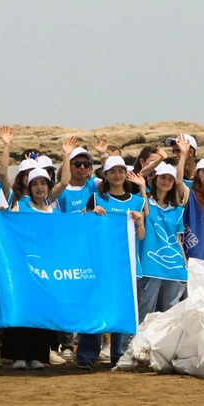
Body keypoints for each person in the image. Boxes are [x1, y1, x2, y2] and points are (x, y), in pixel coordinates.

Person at [77, 157, 148, 370]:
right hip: (101, 264)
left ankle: (118, 355)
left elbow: (141, 236)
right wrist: (91, 214)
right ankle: (87, 355)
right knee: (96, 308)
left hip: (127, 265)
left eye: (121, 171)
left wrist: (139, 222)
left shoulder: (137, 202)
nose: (117, 175)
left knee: (123, 310)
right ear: (105, 175)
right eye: (113, 171)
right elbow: (83, 226)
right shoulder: (97, 199)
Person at [4, 167, 62, 370]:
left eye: (43, 183)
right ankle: (18, 356)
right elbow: (8, 230)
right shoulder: (19, 207)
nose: (39, 188)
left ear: (48, 186)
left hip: (45, 271)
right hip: (22, 268)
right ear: (29, 187)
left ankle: (38, 355)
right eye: (35, 184)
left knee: (42, 311)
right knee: (22, 310)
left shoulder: (55, 213)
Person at [138, 164, 186, 319]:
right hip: (150, 264)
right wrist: (142, 186)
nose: (166, 181)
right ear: (155, 178)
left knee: (171, 310)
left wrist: (185, 264)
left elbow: (178, 239)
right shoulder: (143, 201)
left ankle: (165, 342)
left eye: (170, 179)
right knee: (145, 306)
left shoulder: (177, 210)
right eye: (163, 177)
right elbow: (144, 213)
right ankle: (138, 341)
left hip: (173, 265)